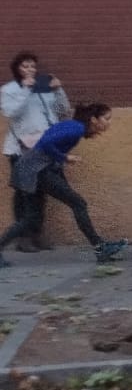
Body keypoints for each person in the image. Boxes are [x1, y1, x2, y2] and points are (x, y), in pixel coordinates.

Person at [0, 102, 128, 266]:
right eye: (107, 118)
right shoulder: (76, 129)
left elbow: (47, 141)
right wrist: (65, 158)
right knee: (78, 203)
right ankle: (100, 247)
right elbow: (46, 143)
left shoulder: (73, 126)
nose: (109, 123)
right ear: (94, 119)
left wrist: (60, 169)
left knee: (31, 218)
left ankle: (100, 247)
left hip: (30, 169)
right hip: (36, 170)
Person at [2, 52, 69, 253]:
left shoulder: (44, 87)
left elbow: (62, 109)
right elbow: (10, 112)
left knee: (41, 193)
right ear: (17, 69)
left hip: (45, 147)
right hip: (21, 150)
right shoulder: (9, 90)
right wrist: (26, 89)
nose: (30, 70)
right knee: (24, 193)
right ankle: (22, 239)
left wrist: (58, 90)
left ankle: (36, 234)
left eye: (32, 66)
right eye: (25, 66)